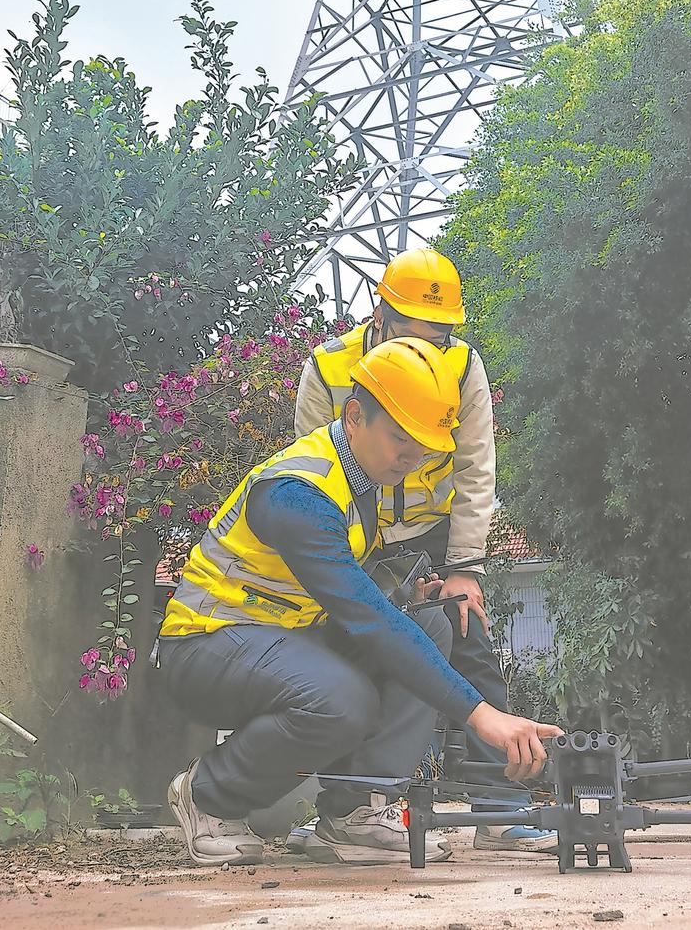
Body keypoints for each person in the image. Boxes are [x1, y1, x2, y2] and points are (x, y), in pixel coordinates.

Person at [160, 337, 562, 867]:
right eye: (399, 438)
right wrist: (482, 715)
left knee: (433, 625)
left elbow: (347, 601)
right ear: (354, 415)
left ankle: (353, 813)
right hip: (207, 645)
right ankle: (207, 796)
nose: (410, 458)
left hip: (278, 642)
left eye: (423, 449)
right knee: (343, 699)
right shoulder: (299, 493)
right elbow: (367, 622)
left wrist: (404, 598)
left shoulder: (362, 484)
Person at [294, 247, 556, 852]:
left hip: (431, 536)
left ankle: (501, 806)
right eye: (410, 333)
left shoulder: (464, 371)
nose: (424, 350)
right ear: (379, 316)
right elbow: (310, 470)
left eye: (436, 337)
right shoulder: (330, 370)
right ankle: (349, 806)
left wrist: (463, 568)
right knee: (362, 650)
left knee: (466, 634)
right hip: (355, 533)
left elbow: (475, 472)